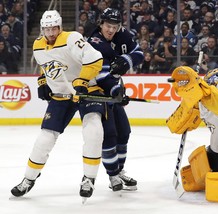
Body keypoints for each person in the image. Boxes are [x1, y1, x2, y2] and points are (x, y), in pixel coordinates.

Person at [10, 10, 108, 201]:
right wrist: (42, 81)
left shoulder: (72, 39)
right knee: (45, 138)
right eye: (47, 29)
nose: (51, 33)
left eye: (54, 28)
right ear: (42, 29)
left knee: (93, 129)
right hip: (61, 95)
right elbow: (46, 66)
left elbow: (95, 60)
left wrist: (82, 81)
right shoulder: (38, 45)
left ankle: (88, 178)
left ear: (60, 26)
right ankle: (28, 178)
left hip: (88, 90)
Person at [87, 8, 144, 192]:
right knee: (109, 135)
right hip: (97, 93)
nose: (111, 30)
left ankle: (118, 171)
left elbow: (139, 53)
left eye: (114, 26)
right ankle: (112, 175)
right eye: (108, 26)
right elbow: (102, 77)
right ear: (100, 24)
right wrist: (117, 90)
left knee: (124, 132)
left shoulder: (122, 35)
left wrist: (126, 60)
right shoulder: (94, 42)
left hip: (113, 91)